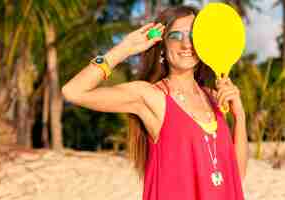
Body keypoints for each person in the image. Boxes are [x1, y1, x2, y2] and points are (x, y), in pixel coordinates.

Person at [62, 5, 249, 200]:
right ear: (162, 45)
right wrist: (124, 49)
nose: (186, 44)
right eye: (176, 36)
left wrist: (240, 117)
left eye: (193, 36)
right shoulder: (150, 96)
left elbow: (236, 177)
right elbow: (73, 92)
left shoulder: (214, 97)